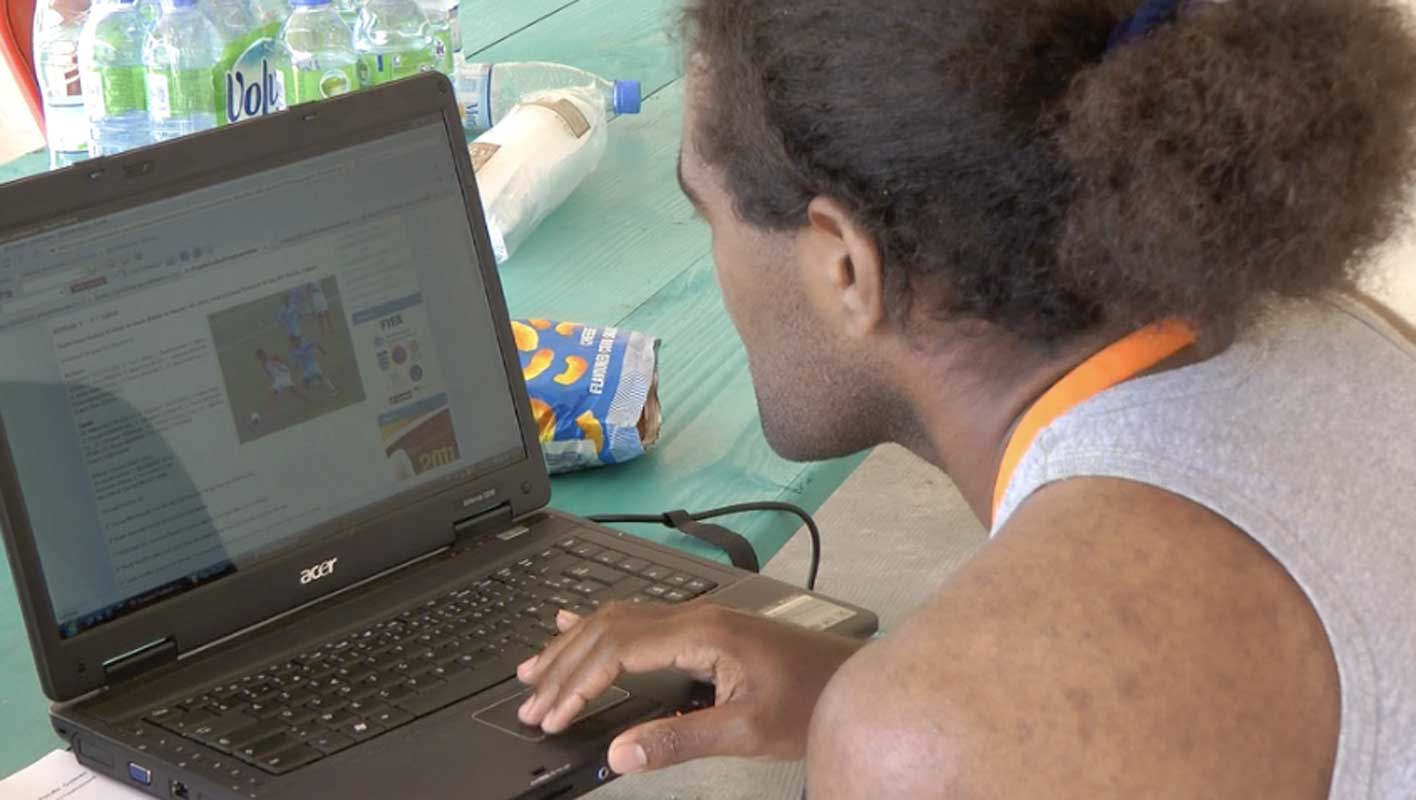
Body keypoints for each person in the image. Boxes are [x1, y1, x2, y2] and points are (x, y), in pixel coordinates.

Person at [514, 0, 1416, 797]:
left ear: (844, 264)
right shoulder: (1334, 334)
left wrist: (900, 728)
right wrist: (854, 688)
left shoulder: (944, 737)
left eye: (706, 214)